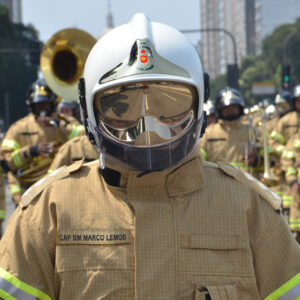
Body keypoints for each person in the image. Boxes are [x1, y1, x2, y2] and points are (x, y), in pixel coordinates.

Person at [0, 13, 300, 300]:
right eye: (122, 106)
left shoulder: (248, 207)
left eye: (169, 104)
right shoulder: (48, 210)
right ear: (88, 108)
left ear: (200, 102)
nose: (148, 126)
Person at [0, 79, 83, 205]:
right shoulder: (18, 128)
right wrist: (31, 151)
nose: (41, 109)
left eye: (45, 104)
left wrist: (60, 125)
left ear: (53, 104)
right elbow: (5, 163)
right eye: (37, 105)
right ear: (30, 106)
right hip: (28, 193)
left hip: (64, 191)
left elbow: (85, 142)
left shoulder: (66, 123)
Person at [200, 87, 259, 171]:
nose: (230, 110)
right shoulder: (208, 133)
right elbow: (200, 160)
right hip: (217, 182)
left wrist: (257, 160)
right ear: (220, 110)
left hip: (246, 182)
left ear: (240, 108)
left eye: (234, 106)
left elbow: (269, 159)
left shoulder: (252, 131)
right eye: (226, 107)